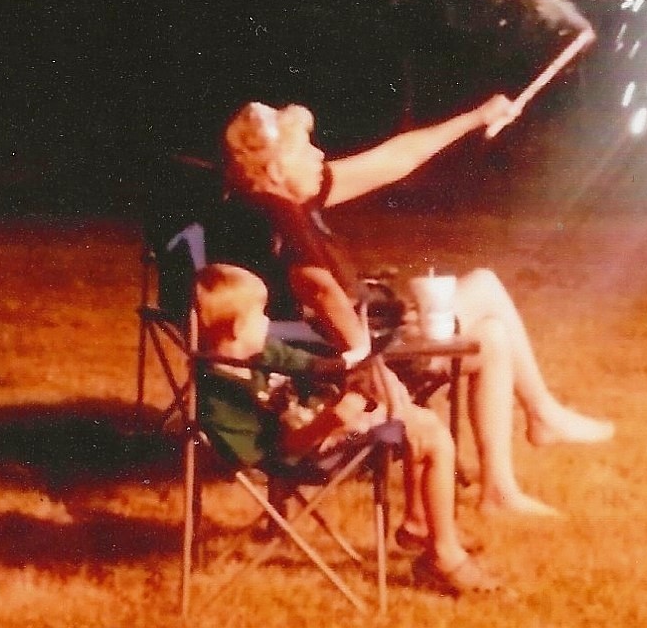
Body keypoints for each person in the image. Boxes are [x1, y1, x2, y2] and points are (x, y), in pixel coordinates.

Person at [221, 97, 613, 519]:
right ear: (277, 169)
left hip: (340, 348)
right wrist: (368, 357)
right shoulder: (278, 212)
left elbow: (395, 159)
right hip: (339, 366)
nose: (320, 156)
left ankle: (500, 490)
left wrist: (477, 117)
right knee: (484, 286)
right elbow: (319, 292)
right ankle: (542, 413)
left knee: (491, 337)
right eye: (307, 149)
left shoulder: (284, 202)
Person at [193, 263, 499, 595]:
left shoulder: (261, 351)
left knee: (422, 423)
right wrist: (333, 422)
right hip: (309, 453)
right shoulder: (220, 396)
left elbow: (313, 365)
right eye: (261, 316)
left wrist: (355, 371)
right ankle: (442, 554)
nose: (269, 323)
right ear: (237, 328)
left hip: (327, 426)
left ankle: (422, 527)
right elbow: (273, 452)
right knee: (432, 435)